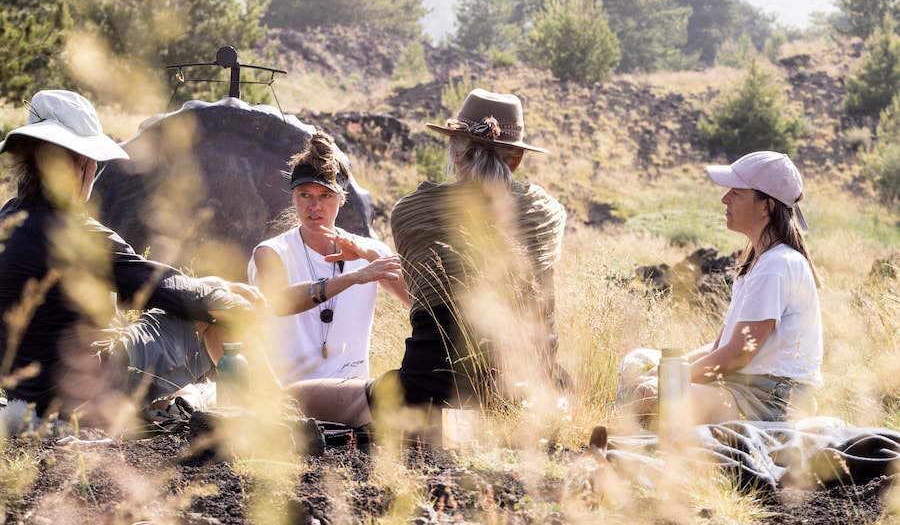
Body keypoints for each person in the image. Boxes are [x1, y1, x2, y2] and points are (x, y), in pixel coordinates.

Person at [288, 88, 568, 433]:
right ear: (516, 160)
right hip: (530, 394)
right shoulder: (549, 214)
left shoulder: (412, 212)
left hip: (428, 398)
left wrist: (372, 258)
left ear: (455, 152)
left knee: (294, 395)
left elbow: (421, 301)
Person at [0, 90, 266, 433]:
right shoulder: (77, 231)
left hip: (26, 394)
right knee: (214, 300)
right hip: (84, 389)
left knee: (212, 293)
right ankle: (267, 410)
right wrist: (237, 305)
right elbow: (158, 285)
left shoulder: (9, 218)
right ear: (81, 165)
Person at [625, 151, 823, 425]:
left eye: (737, 193)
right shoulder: (761, 262)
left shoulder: (777, 265)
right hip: (742, 389)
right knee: (638, 364)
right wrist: (666, 370)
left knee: (650, 394)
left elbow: (738, 354)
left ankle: (627, 445)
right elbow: (721, 347)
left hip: (768, 401)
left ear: (765, 206)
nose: (724, 199)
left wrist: (670, 379)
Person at [247, 131, 408, 384]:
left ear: (341, 200)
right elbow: (280, 302)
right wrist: (354, 277)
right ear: (293, 197)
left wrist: (370, 256)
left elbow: (417, 303)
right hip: (290, 398)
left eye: (325, 196)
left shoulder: (369, 252)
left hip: (352, 395)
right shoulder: (271, 252)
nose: (314, 206)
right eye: (305, 195)